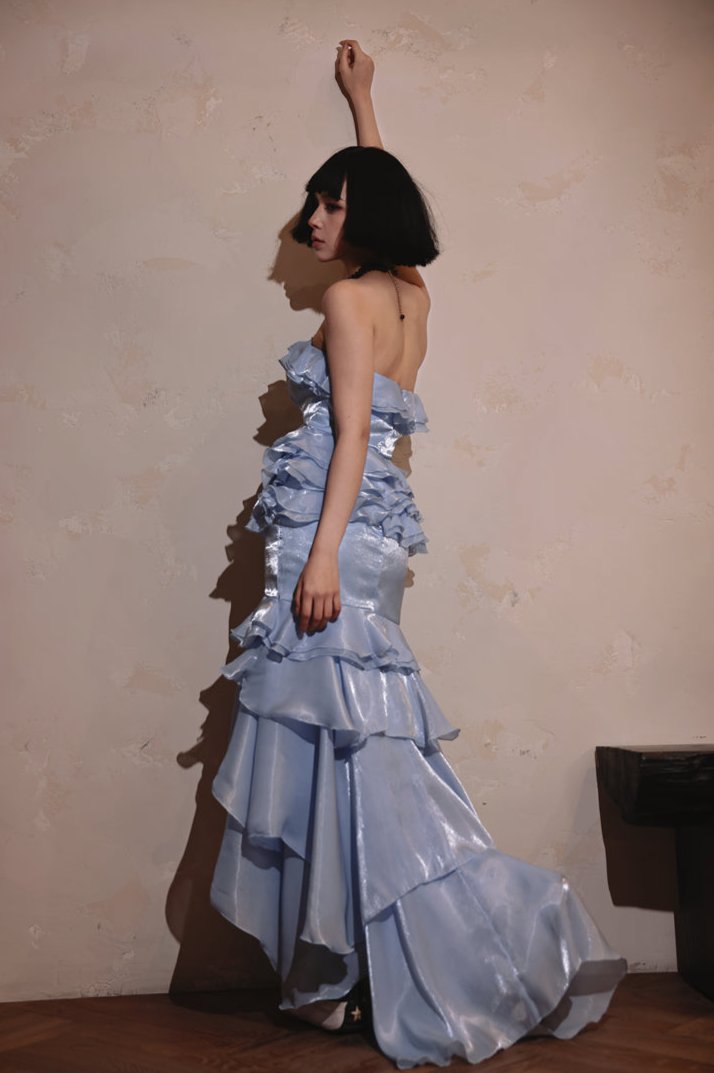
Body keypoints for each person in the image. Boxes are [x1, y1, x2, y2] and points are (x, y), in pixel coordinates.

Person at [209, 38, 627, 1068]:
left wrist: (318, 557)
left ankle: (341, 974)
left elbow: (354, 433)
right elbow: (387, 203)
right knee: (360, 754)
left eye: (331, 204)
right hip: (378, 543)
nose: (312, 220)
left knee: (340, 755)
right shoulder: (408, 295)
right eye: (314, 202)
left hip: (338, 539)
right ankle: (339, 973)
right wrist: (364, 103)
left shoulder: (348, 302)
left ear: (364, 215)